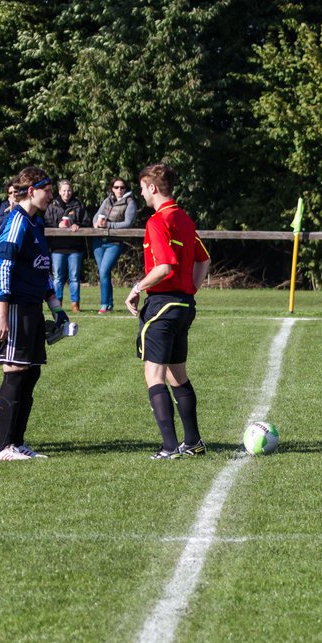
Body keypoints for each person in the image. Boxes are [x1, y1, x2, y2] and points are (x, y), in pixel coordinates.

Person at [125, 164, 211, 460]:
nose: (140, 193)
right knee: (178, 376)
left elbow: (164, 267)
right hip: (184, 305)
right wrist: (191, 290)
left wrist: (136, 288)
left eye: (142, 187)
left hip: (162, 305)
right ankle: (193, 442)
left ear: (152, 187)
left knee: (154, 376)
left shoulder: (158, 221)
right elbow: (204, 260)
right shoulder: (184, 218)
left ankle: (169, 447)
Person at [0, 166, 66, 460]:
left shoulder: (36, 224)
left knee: (31, 372)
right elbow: (3, 267)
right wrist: (0, 313)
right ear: (31, 190)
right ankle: (3, 448)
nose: (51, 196)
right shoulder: (16, 223)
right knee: (15, 371)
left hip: (33, 308)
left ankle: (18, 442)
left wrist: (57, 309)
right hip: (16, 307)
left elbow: (42, 269)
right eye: (47, 191)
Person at [91, 178, 138, 314]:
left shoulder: (130, 203)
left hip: (114, 242)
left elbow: (128, 223)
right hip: (99, 241)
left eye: (122, 187)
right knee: (103, 274)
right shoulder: (107, 200)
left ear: (125, 188)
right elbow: (96, 217)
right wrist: (96, 224)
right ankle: (109, 304)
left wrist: (108, 225)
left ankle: (104, 304)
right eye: (116, 187)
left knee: (104, 271)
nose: (119, 190)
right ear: (112, 188)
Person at [45, 179, 91, 313]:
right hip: (57, 247)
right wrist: (57, 226)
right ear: (59, 191)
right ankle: (57, 303)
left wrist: (79, 225)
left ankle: (75, 304)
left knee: (75, 277)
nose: (67, 193)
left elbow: (87, 221)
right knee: (58, 277)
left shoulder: (78, 205)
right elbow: (46, 222)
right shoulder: (52, 205)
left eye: (69, 190)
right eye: (64, 190)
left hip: (75, 247)